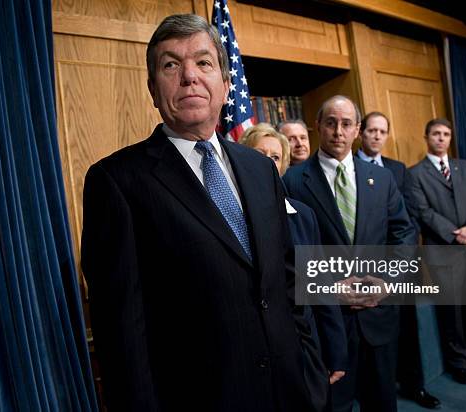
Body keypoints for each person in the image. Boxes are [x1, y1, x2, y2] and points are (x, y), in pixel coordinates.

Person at [81, 14, 327, 412]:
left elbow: (286, 280)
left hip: (289, 390)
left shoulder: (261, 168)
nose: (189, 76)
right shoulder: (116, 180)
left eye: (203, 62)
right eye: (171, 65)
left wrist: (310, 371)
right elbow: (121, 328)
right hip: (198, 397)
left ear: (226, 85)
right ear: (153, 90)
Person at [284, 95, 415, 412]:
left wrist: (385, 281)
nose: (338, 131)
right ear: (318, 126)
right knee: (335, 405)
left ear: (357, 129)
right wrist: (332, 290)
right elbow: (291, 254)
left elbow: (404, 233)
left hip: (378, 313)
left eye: (346, 124)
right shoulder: (292, 182)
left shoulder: (382, 178)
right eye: (330, 123)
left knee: (383, 401)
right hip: (330, 322)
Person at [240, 123, 348, 387]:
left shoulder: (303, 215)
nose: (267, 163)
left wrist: (335, 350)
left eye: (275, 157)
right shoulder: (228, 215)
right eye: (258, 155)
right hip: (249, 350)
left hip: (302, 344)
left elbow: (320, 286)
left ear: (284, 164)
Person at [358, 112, 440, 409]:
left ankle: (413, 385)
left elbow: (409, 219)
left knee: (407, 331)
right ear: (361, 132)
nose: (377, 136)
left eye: (383, 131)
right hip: (357, 271)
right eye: (372, 130)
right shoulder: (347, 168)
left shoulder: (397, 169)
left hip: (396, 265)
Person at [405, 118, 466, 385]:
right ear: (426, 137)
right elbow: (422, 212)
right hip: (443, 251)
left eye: (446, 134)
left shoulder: (465, 167)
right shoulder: (415, 173)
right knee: (451, 311)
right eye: (436, 134)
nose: (441, 138)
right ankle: (458, 362)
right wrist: (457, 234)